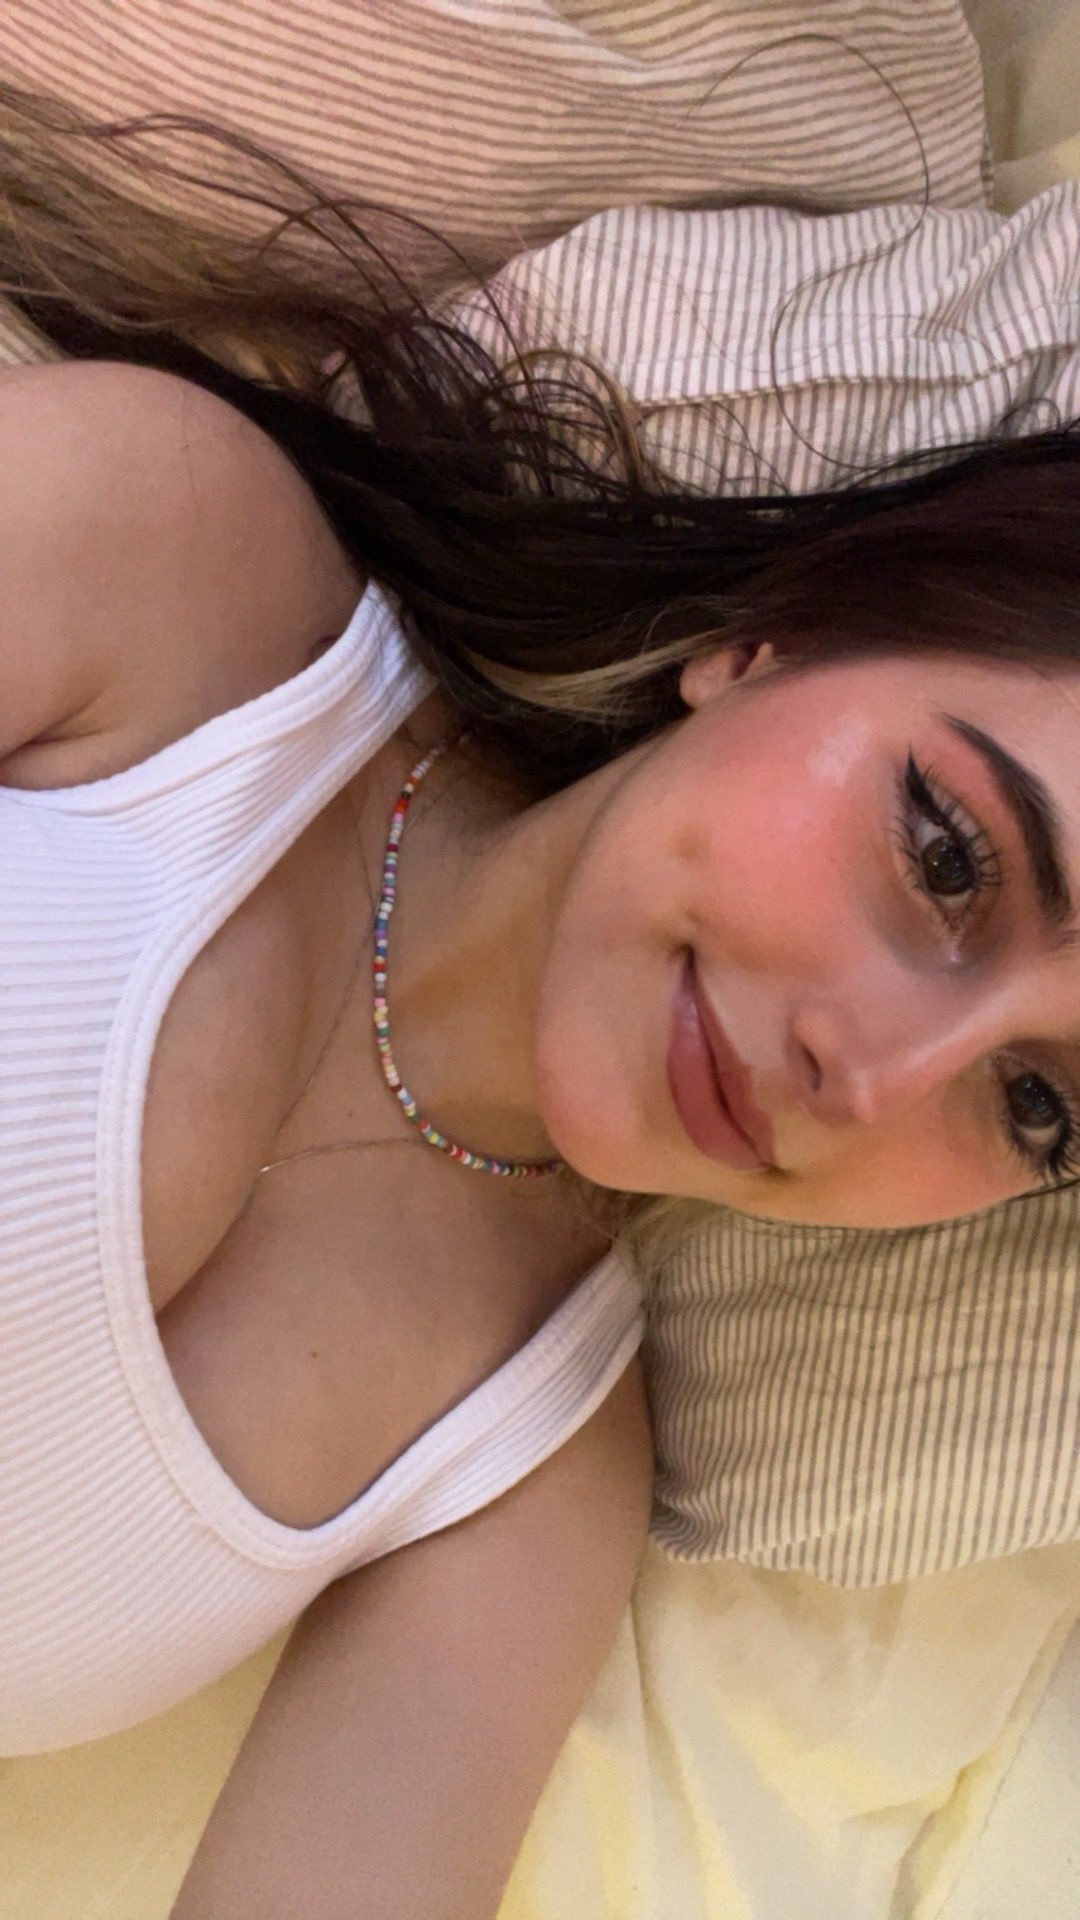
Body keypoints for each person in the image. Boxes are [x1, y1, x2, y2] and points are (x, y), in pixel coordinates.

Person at [0, 86, 1077, 1920]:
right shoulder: (181, 569)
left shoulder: (529, 1486)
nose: (879, 1073)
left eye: (1043, 1106)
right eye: (948, 851)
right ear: (775, 638)